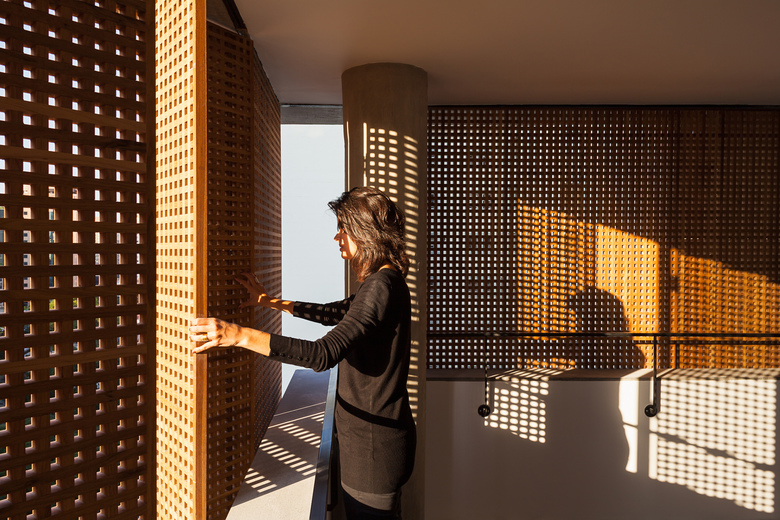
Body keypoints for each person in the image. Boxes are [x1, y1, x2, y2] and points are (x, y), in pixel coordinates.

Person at [189, 186, 416, 519]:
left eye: (343, 228)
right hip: (378, 444)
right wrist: (270, 302)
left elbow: (322, 354)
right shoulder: (384, 282)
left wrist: (238, 335)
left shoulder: (381, 286)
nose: (337, 237)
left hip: (372, 452)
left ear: (364, 232)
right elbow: (332, 313)